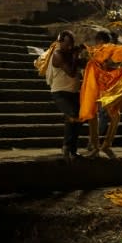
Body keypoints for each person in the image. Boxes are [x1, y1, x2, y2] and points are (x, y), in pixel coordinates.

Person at [47, 30, 84, 162]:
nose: (69, 46)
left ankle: (72, 150)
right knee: (73, 115)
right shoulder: (58, 55)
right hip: (60, 93)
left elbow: (84, 64)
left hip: (74, 93)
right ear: (60, 42)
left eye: (71, 44)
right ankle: (66, 147)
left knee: (78, 119)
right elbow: (71, 73)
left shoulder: (71, 54)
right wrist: (75, 57)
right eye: (67, 43)